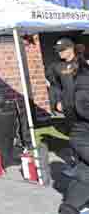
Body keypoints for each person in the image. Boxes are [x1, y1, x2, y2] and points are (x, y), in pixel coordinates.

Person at [58, 59, 89, 214]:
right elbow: (83, 107)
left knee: (85, 170)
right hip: (83, 136)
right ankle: (71, 207)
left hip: (80, 134)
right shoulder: (83, 82)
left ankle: (71, 206)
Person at [47, 38, 80, 122]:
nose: (59, 52)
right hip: (68, 105)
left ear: (71, 49)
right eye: (58, 50)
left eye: (62, 49)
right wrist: (58, 101)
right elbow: (56, 86)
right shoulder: (56, 67)